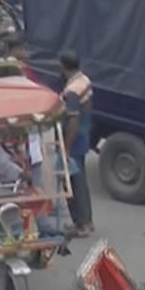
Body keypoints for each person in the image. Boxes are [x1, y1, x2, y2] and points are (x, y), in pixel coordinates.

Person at [60, 51, 94, 238]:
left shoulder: (72, 91)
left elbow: (72, 120)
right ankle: (88, 220)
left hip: (74, 139)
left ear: (63, 67)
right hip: (83, 134)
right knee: (81, 180)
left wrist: (66, 147)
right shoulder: (84, 80)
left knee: (74, 182)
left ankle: (81, 224)